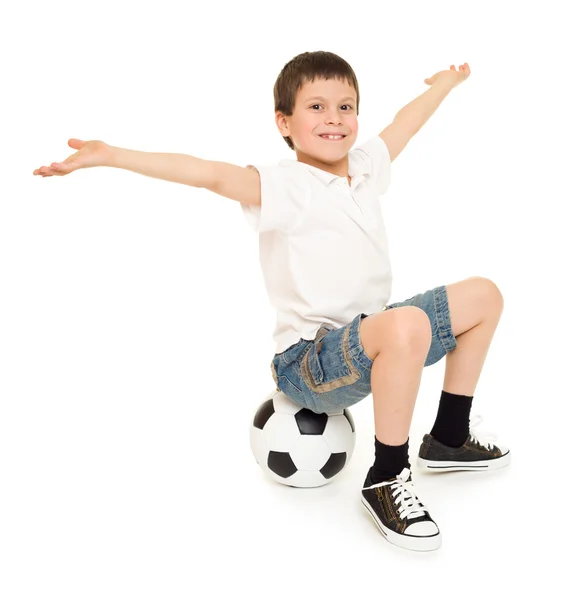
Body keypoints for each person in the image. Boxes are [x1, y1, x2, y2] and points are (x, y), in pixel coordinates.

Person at [33, 50, 510, 553]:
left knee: (483, 296)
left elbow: (404, 125)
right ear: (284, 123)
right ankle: (386, 478)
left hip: (375, 338)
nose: (334, 119)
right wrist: (113, 155)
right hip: (309, 364)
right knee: (405, 324)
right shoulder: (285, 185)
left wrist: (443, 86)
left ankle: (449, 438)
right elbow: (206, 173)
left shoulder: (367, 167)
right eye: (317, 107)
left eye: (346, 107)